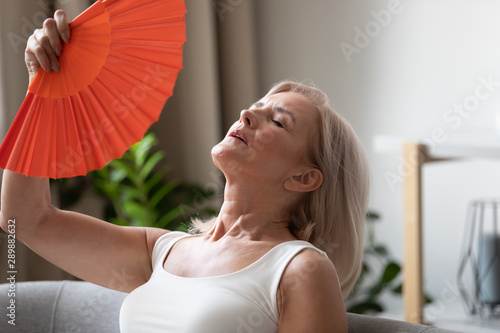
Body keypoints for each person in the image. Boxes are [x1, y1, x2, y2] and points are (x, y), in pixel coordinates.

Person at [0, 10, 370, 333]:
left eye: (277, 121)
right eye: (255, 107)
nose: (246, 114)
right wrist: (43, 87)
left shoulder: (299, 270)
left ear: (304, 178)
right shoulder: (159, 252)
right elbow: (25, 219)